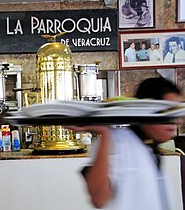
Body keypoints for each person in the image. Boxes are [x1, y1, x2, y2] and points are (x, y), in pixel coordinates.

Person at [72, 77, 182, 210]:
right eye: (167, 112)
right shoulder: (117, 141)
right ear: (147, 109)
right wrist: (104, 133)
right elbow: (99, 199)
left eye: (177, 113)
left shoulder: (150, 148)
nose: (176, 122)